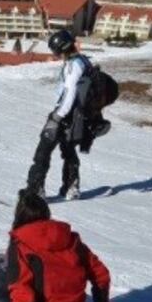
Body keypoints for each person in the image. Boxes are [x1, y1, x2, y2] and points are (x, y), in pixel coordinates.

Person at [26, 29, 108, 200]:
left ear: (61, 49)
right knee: (68, 148)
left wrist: (57, 116)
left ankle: (36, 190)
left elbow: (69, 93)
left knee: (43, 150)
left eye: (55, 51)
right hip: (78, 115)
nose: (55, 55)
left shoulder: (73, 65)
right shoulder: (83, 60)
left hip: (66, 114)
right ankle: (71, 186)